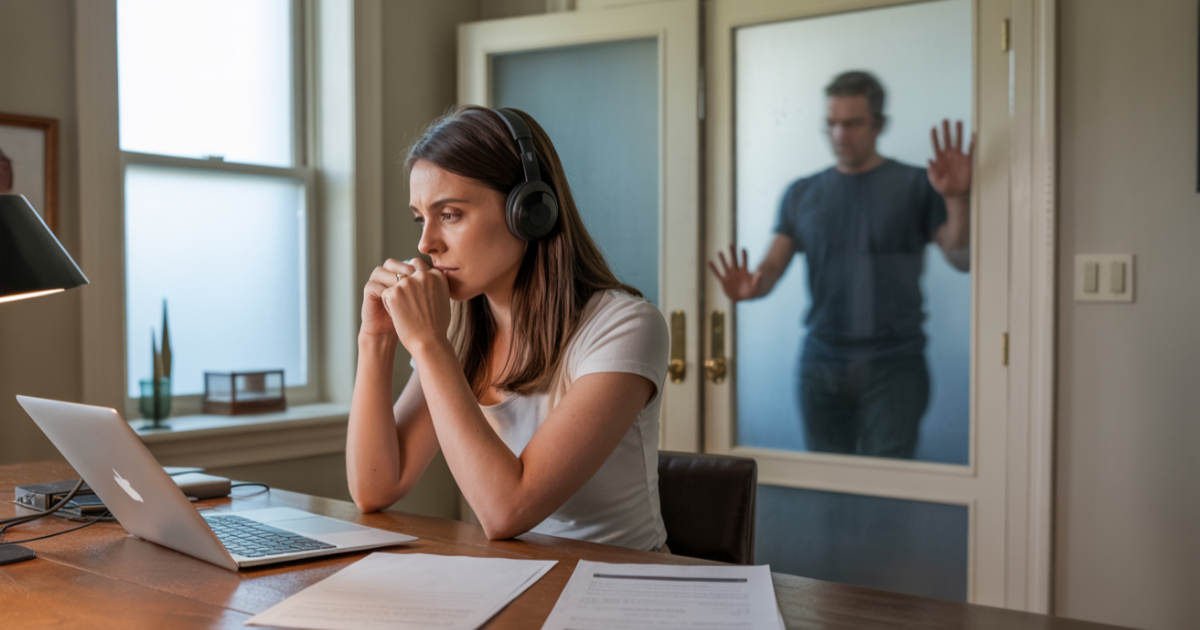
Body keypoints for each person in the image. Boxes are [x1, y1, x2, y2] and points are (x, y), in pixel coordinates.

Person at [346, 106, 670, 552]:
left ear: (530, 211)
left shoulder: (625, 326)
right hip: (520, 582)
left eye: (452, 214)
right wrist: (375, 339)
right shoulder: (456, 330)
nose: (425, 244)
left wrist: (427, 343)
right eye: (421, 218)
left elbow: (505, 511)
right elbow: (374, 487)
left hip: (622, 593)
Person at [709, 71, 973, 459]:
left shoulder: (917, 184)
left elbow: (960, 257)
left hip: (895, 363)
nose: (839, 135)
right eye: (830, 124)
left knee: (888, 487)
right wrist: (754, 287)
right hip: (822, 361)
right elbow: (772, 267)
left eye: (852, 123)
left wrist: (956, 198)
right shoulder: (802, 193)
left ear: (878, 124)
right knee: (828, 486)